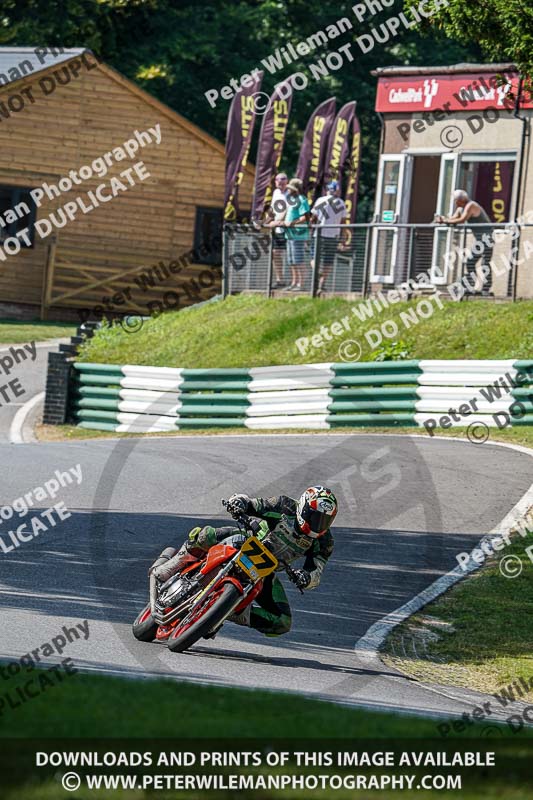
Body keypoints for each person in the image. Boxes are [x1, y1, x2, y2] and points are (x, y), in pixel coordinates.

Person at [150, 486, 338, 637]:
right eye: (315, 517)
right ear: (304, 508)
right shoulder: (285, 506)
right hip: (246, 541)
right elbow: (255, 504)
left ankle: (224, 611)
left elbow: (317, 571)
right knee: (206, 535)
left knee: (282, 622)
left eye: (325, 521)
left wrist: (306, 578)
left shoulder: (324, 541)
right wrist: (238, 503)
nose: (318, 524)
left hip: (265, 571)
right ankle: (172, 565)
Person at [436, 190, 494, 296]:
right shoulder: (460, 208)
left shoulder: (471, 205)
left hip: (487, 238)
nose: (454, 203)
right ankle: (470, 286)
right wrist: (443, 220)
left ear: (461, 200)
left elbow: (462, 220)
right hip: (479, 239)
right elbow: (453, 219)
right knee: (470, 262)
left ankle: (486, 289)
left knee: (484, 263)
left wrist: (446, 221)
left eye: (455, 200)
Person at [311, 180, 347, 295]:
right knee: (328, 261)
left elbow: (313, 218)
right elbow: (343, 222)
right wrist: (343, 237)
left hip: (319, 234)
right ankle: (322, 284)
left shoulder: (320, 200)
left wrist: (310, 229)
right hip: (333, 235)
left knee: (313, 257)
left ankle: (318, 272)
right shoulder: (340, 203)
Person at [282, 177, 310, 292]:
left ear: (295, 189)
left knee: (298, 260)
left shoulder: (302, 199)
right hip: (289, 235)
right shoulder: (291, 200)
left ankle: (301, 284)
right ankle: (294, 282)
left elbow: (305, 217)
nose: (288, 190)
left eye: (290, 188)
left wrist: (292, 223)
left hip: (298, 234)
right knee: (291, 260)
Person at [266, 172, 289, 289]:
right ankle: (280, 280)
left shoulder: (291, 194)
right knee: (275, 253)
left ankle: (296, 282)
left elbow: (290, 211)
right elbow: (273, 209)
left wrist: (278, 222)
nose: (280, 181)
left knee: (292, 255)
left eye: (283, 179)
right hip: (278, 229)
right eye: (277, 180)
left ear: (287, 181)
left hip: (289, 228)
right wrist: (265, 222)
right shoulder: (275, 193)